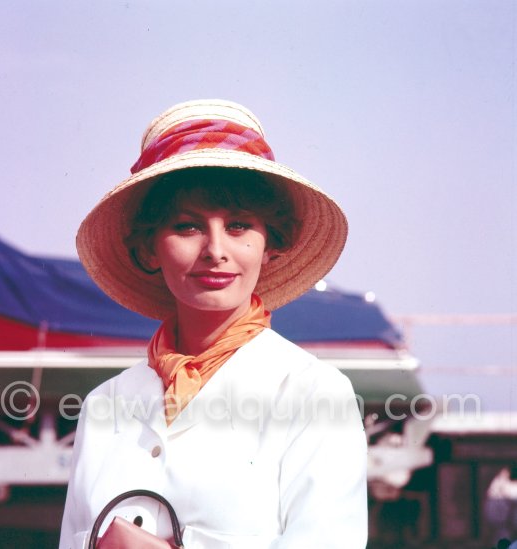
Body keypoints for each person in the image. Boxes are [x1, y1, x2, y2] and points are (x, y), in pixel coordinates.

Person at [59, 99, 367, 548]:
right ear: (149, 249)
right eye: (187, 227)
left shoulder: (314, 393)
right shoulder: (103, 405)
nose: (215, 250)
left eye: (239, 225)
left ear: (270, 246)